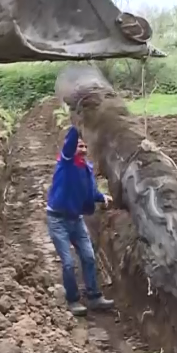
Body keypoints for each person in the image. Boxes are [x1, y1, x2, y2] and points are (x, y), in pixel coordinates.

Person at [46, 126, 115, 316]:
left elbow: (89, 192)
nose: (83, 149)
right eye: (79, 146)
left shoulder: (86, 168)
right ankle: (73, 300)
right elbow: (70, 142)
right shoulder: (66, 162)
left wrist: (102, 197)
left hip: (76, 220)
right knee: (68, 263)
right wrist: (78, 123)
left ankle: (94, 297)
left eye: (85, 146)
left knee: (89, 257)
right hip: (58, 220)